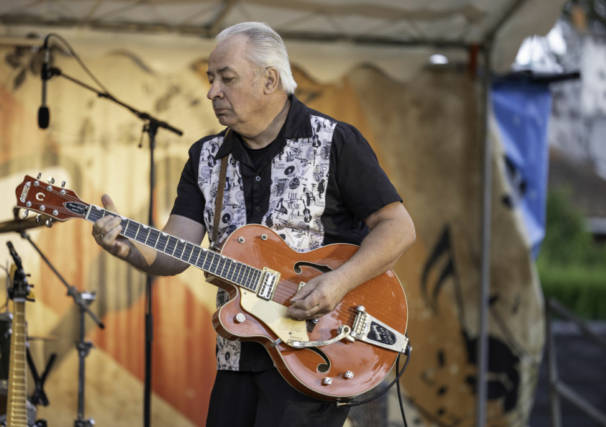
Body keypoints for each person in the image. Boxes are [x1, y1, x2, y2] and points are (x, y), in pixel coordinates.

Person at [92, 22, 416, 427]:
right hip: (237, 354)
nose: (212, 91)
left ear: (270, 80)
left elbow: (397, 227)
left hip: (317, 353)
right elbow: (176, 250)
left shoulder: (334, 141)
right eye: (211, 79)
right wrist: (129, 248)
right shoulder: (206, 157)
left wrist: (338, 283)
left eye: (226, 78)